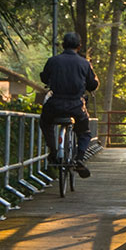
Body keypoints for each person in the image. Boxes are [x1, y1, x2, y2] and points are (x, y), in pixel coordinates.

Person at [39, 32, 98, 178]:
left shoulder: (53, 60)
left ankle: (53, 151)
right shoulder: (84, 63)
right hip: (76, 106)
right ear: (79, 46)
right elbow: (92, 84)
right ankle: (79, 158)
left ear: (63, 45)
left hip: (55, 104)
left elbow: (44, 78)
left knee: (45, 122)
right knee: (84, 132)